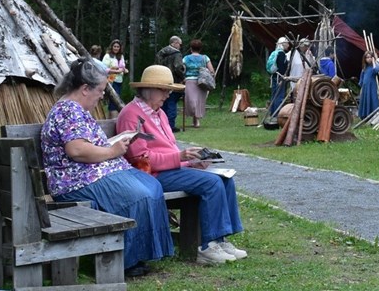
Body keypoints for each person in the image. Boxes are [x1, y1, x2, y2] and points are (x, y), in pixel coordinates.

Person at [39, 58, 173, 278]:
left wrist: (114, 145)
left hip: (93, 174)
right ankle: (124, 260)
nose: (102, 95)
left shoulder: (76, 109)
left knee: (151, 186)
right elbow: (77, 150)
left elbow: (85, 145)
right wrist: (113, 152)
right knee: (137, 195)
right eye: (100, 90)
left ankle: (139, 254)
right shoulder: (67, 111)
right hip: (76, 182)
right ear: (84, 89)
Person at [118, 65, 247, 265]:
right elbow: (139, 158)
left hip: (170, 169)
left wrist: (191, 162)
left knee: (224, 179)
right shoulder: (131, 114)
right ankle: (206, 247)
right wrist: (180, 158)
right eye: (164, 90)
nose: (168, 95)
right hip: (149, 176)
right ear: (149, 89)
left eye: (169, 90)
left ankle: (220, 240)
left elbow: (169, 149)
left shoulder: (158, 113)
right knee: (211, 183)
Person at [155, 36, 186, 132]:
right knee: (172, 102)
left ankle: (161, 124)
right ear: (175, 43)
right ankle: (170, 125)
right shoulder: (176, 54)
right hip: (174, 81)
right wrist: (182, 77)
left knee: (162, 102)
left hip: (161, 80)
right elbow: (178, 67)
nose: (180, 46)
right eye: (180, 44)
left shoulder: (160, 52)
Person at [182, 39, 215, 128]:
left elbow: (182, 69)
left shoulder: (186, 58)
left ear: (191, 48)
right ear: (200, 49)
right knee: (199, 101)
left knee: (191, 101)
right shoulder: (205, 58)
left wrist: (183, 78)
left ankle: (196, 121)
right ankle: (196, 120)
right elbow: (211, 70)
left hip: (189, 80)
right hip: (202, 81)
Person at [267, 37, 292, 117]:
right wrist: (283, 77)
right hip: (280, 78)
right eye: (287, 43)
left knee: (274, 95)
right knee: (279, 96)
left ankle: (272, 112)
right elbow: (281, 68)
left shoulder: (275, 52)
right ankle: (277, 114)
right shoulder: (281, 54)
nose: (288, 45)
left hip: (274, 77)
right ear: (283, 44)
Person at [102, 40, 128, 115]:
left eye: (118, 47)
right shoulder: (107, 56)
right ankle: (113, 117)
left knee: (117, 98)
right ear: (112, 47)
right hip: (111, 80)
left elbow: (122, 67)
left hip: (119, 80)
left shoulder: (121, 56)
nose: (116, 48)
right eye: (115, 46)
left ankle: (114, 116)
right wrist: (115, 71)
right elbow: (104, 68)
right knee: (113, 100)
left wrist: (124, 70)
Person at [357, 51, 379, 119]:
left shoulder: (375, 66)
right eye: (367, 57)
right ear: (365, 59)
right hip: (365, 87)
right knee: (365, 99)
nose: (369, 59)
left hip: (372, 86)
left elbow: (376, 70)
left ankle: (374, 114)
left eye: (370, 57)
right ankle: (364, 115)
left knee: (372, 98)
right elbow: (362, 77)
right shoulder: (364, 68)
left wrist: (374, 62)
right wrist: (361, 84)